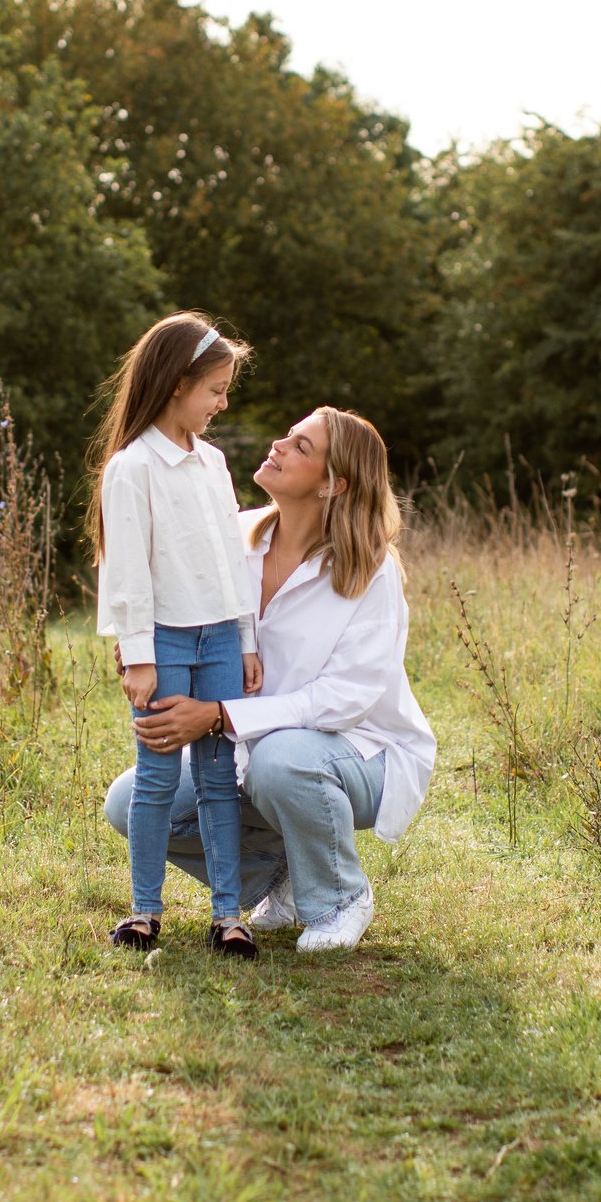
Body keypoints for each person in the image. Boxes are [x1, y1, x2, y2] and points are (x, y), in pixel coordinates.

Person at [105, 406, 435, 953]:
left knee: (283, 762)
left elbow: (342, 701)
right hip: (249, 753)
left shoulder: (369, 571)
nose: (279, 445)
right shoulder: (233, 535)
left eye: (301, 446)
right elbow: (171, 601)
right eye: (287, 435)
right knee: (130, 800)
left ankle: (338, 897)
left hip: (359, 755)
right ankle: (280, 879)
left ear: (334, 484)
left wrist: (219, 716)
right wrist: (142, 644)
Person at [89, 312, 266, 958]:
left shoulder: (213, 462)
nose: (222, 403)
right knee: (157, 776)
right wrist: (137, 654)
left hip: (220, 635)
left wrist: (245, 638)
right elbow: (126, 567)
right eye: (215, 390)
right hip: (163, 641)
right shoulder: (132, 468)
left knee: (221, 776)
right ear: (175, 384)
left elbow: (229, 557)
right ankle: (144, 909)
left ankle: (229, 914)